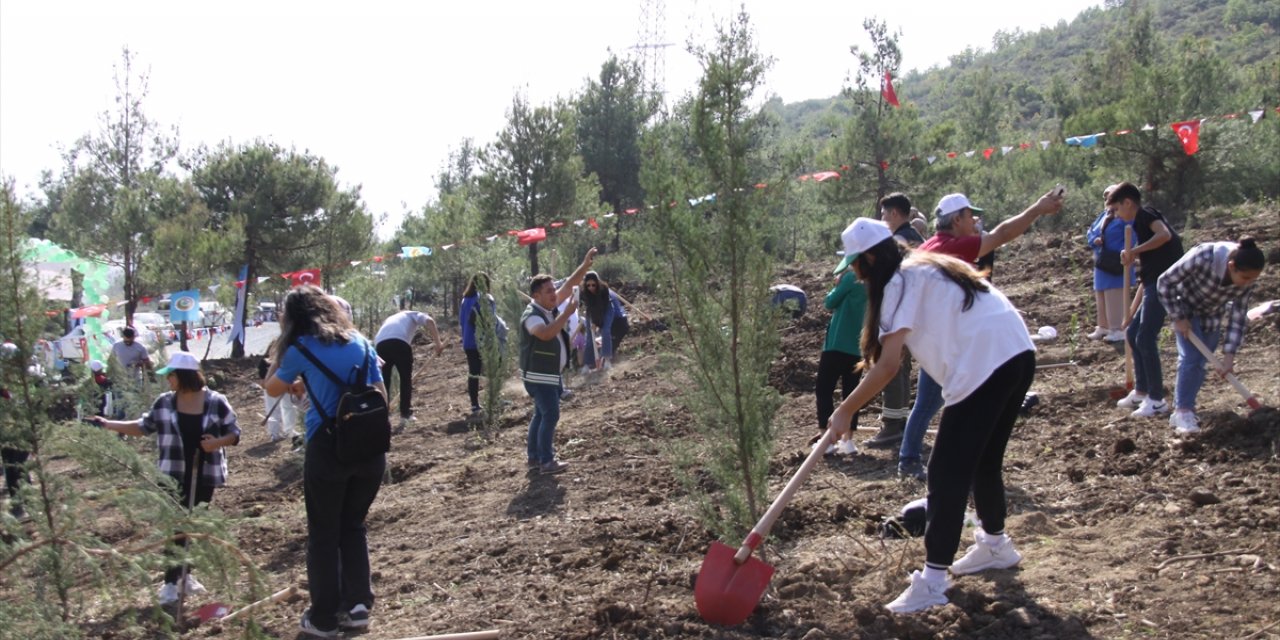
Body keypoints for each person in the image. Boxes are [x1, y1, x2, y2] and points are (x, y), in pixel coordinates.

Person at [826, 218, 1037, 614]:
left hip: (984, 363)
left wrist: (845, 410)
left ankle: (933, 582)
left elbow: (888, 366)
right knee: (984, 462)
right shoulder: (925, 265)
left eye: (855, 265)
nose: (855, 273)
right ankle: (996, 546)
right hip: (1017, 351)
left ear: (870, 258)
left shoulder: (898, 283)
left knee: (945, 474)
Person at [896, 189, 1063, 480]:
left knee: (933, 402)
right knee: (935, 403)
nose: (974, 221)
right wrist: (1036, 209)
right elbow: (1002, 234)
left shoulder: (938, 244)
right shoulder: (951, 247)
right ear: (956, 219)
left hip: (945, 337)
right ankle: (913, 460)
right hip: (947, 341)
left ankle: (917, 459)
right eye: (970, 216)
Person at [264, 285, 386, 637]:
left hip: (328, 449)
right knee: (353, 526)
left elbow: (272, 388)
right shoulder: (361, 343)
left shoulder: (300, 348)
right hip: (369, 449)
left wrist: (283, 349)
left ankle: (323, 619)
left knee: (323, 534)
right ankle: (358, 606)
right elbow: (382, 397)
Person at [94, 351, 241, 605]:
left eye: (170, 375)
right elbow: (142, 427)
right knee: (176, 527)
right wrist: (108, 424)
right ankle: (171, 582)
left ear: (183, 376)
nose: (167, 380)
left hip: (204, 474)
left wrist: (216, 443)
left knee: (193, 524)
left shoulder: (216, 402)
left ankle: (186, 576)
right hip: (171, 474)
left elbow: (234, 433)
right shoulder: (164, 403)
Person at [1157, 236, 1266, 434]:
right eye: (1245, 278)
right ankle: (1182, 412)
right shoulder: (1204, 256)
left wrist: (1229, 357)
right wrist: (1177, 316)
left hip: (1212, 313)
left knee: (1200, 363)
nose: (1247, 283)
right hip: (1184, 307)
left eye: (1253, 279)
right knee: (1191, 358)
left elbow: (1238, 317)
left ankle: (1188, 407)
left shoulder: (1246, 280)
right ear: (1231, 266)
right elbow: (1164, 282)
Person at [1108, 182, 1183, 419]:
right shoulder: (1138, 223)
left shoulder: (1146, 214)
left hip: (1165, 283)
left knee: (1146, 337)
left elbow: (1164, 235)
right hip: (1153, 282)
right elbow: (1149, 269)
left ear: (1128, 203)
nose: (1118, 216)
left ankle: (1157, 399)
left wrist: (1136, 251)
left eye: (1118, 209)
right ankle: (1141, 391)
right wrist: (1134, 255)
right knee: (1133, 334)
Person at [519, 247, 597, 475]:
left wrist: (584, 266)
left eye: (554, 289)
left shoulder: (547, 307)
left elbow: (570, 283)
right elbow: (544, 334)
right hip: (539, 375)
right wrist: (566, 314)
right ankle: (546, 461)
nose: (555, 294)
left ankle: (534, 457)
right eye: (549, 291)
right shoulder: (532, 315)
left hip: (548, 374)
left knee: (540, 414)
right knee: (551, 414)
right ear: (536, 295)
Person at [865, 193, 923, 448]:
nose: (882, 219)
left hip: (900, 310)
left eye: (884, 214)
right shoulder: (918, 238)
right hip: (916, 310)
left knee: (892, 365)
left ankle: (891, 425)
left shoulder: (898, 241)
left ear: (896, 214)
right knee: (904, 365)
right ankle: (901, 419)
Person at [814, 248, 867, 456]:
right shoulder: (874, 280)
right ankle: (848, 441)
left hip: (837, 344)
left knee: (824, 390)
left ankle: (826, 441)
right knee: (851, 393)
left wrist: (835, 285)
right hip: (858, 345)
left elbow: (829, 302)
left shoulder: (850, 277)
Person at [373, 309, 443, 431]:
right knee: (405, 380)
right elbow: (430, 321)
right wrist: (438, 343)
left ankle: (382, 416)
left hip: (380, 345)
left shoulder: (390, 318)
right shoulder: (412, 314)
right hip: (399, 343)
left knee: (383, 382)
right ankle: (405, 415)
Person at [1085, 184, 1133, 342]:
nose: (1107, 200)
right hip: (1102, 261)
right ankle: (1103, 326)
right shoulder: (1104, 215)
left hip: (1117, 261)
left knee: (1114, 294)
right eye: (1105, 197)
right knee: (1100, 292)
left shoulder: (1126, 215)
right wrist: (1095, 240)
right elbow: (1091, 231)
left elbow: (1132, 236)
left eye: (1110, 196)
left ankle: (1118, 329)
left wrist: (1125, 252)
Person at [460, 272, 507, 418]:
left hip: (468, 341)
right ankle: (495, 399)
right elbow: (490, 321)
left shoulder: (465, 300)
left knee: (473, 373)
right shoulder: (486, 299)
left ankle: (474, 405)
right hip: (483, 340)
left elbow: (462, 322)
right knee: (494, 368)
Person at [580, 271, 630, 371]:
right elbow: (590, 307)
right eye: (588, 285)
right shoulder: (584, 292)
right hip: (592, 311)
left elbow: (601, 307)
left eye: (593, 285)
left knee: (605, 331)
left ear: (597, 283)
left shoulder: (604, 289)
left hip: (606, 309)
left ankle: (607, 360)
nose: (591, 287)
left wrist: (596, 322)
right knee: (590, 336)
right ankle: (587, 364)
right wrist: (593, 322)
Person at [257, 356, 299, 442]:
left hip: (282, 386)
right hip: (275, 386)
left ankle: (286, 431)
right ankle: (278, 433)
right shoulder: (266, 362)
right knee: (285, 408)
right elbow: (262, 381)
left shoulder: (284, 359)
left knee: (287, 407)